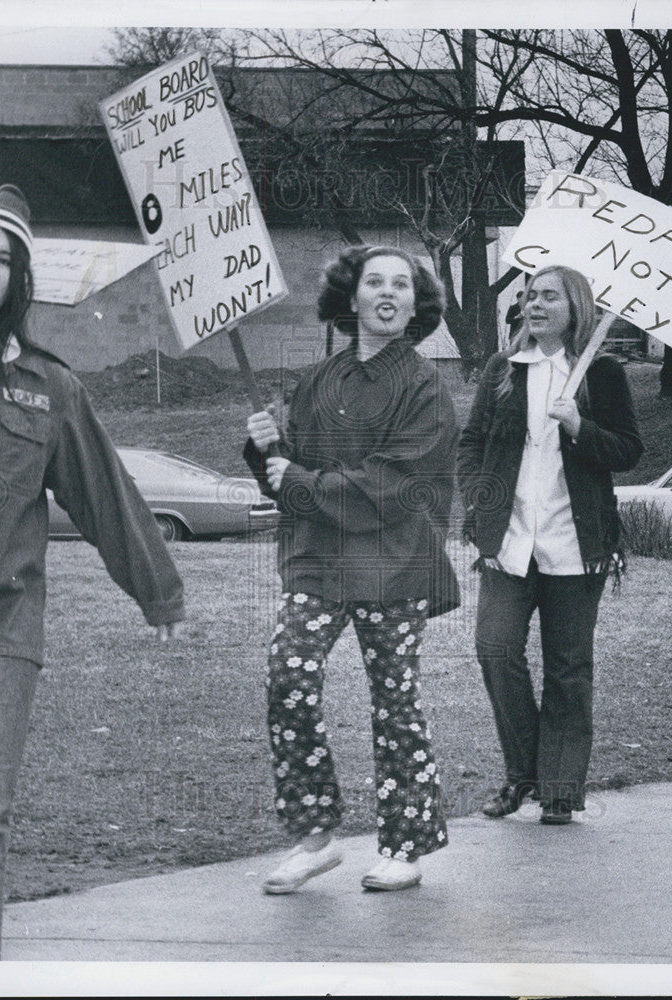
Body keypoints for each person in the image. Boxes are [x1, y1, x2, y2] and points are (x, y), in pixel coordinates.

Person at [0, 184, 186, 960]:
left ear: (21, 279)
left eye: (4, 260)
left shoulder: (47, 387)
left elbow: (107, 494)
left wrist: (158, 593)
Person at [244, 245, 459, 893]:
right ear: (353, 296)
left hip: (394, 565)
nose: (389, 292)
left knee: (395, 699)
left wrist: (300, 481)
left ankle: (404, 845)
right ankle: (314, 836)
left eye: (402, 284)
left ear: (416, 305)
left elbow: (394, 483)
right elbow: (287, 476)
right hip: (319, 563)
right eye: (376, 281)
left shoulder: (424, 387)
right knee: (289, 677)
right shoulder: (316, 381)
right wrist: (265, 453)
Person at [456, 265, 643, 825]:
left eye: (548, 297)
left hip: (575, 546)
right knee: (495, 648)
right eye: (529, 296)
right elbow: (472, 445)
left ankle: (559, 790)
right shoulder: (504, 369)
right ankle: (525, 773)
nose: (534, 305)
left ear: (575, 306)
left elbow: (629, 450)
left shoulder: (601, 375)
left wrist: (580, 425)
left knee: (568, 668)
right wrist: (477, 504)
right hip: (508, 545)